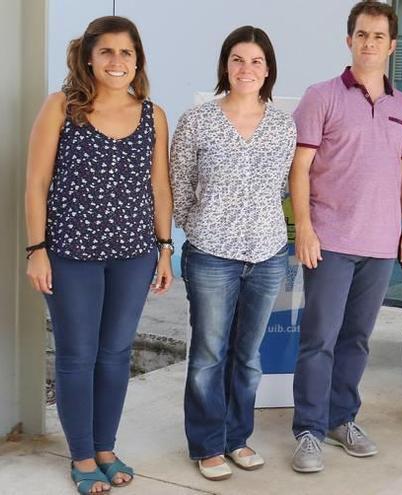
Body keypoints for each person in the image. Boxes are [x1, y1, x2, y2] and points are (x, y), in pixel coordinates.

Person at [24, 16, 172, 494]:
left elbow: (159, 186)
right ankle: (82, 455)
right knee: (76, 356)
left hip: (133, 255)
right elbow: (37, 184)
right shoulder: (61, 107)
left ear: (137, 60)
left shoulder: (153, 114)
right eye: (106, 51)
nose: (116, 61)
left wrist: (165, 249)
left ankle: (105, 447)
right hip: (70, 254)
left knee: (114, 355)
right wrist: (36, 250)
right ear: (88, 56)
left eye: (126, 52)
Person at [289, 0, 402, 473]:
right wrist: (304, 227)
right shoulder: (320, 96)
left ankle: (342, 419)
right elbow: (299, 167)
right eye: (362, 35)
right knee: (319, 338)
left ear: (392, 46)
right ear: (349, 40)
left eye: (379, 36)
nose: (370, 43)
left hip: (381, 244)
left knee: (358, 338)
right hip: (329, 240)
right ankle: (308, 428)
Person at [170, 26, 296, 481]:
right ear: (226, 65)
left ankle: (237, 438)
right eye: (238, 59)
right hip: (211, 256)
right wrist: (199, 226)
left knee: (248, 355)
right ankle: (206, 444)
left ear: (268, 70)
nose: (247, 69)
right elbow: (178, 183)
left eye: (257, 61)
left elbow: (283, 186)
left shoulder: (283, 125)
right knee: (208, 353)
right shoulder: (198, 120)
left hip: (266, 255)